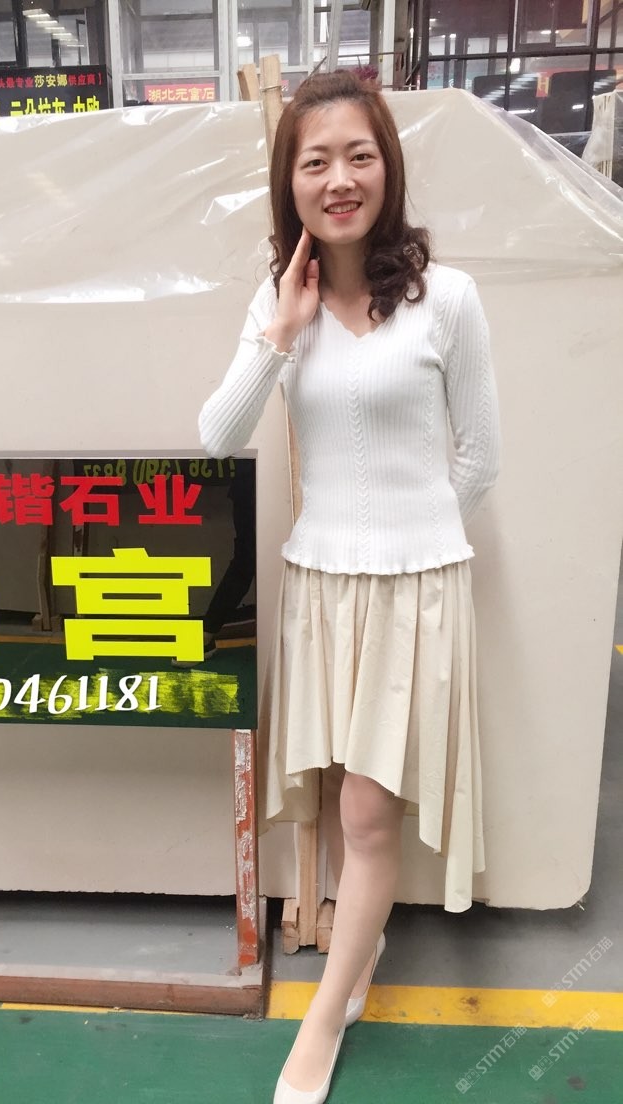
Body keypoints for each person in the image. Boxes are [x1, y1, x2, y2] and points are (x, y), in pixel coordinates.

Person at [198, 69, 500, 1104]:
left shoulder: (448, 298)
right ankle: (357, 961)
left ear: (388, 168)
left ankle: (322, 1020)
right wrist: (280, 333)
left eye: (359, 156)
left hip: (415, 589)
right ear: (289, 181)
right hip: (320, 584)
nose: (340, 179)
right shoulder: (280, 304)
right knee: (336, 797)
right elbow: (218, 439)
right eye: (315, 160)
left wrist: (415, 541)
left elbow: (480, 459)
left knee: (369, 814)